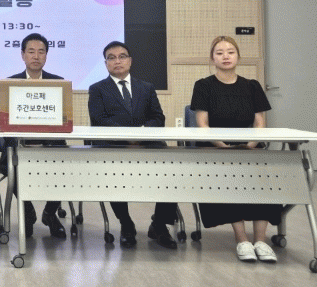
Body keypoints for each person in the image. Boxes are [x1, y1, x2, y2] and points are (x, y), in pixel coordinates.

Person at [190, 35, 281, 262]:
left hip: (250, 147)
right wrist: (223, 146)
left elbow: (260, 122)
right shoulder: (203, 86)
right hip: (216, 149)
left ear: (238, 56)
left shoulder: (252, 86)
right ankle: (242, 240)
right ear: (212, 58)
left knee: (265, 179)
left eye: (230, 52)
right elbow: (203, 124)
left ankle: (260, 241)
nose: (226, 56)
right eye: (219, 53)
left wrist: (249, 145)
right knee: (229, 178)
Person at [88, 41, 178, 249]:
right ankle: (126, 224)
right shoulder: (97, 89)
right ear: (105, 63)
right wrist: (127, 137)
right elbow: (99, 120)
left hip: (147, 145)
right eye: (111, 58)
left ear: (130, 61)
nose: (117, 61)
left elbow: (158, 117)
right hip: (114, 147)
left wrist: (141, 134)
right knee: (112, 177)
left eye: (122, 56)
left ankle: (159, 225)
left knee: (171, 169)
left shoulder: (146, 87)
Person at [0, 33, 67, 239]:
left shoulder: (59, 83)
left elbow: (64, 118)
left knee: (67, 164)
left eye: (41, 52)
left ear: (46, 55)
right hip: (18, 146)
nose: (36, 56)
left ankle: (50, 213)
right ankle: (27, 210)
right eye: (31, 52)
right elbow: (3, 122)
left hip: (50, 146)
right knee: (10, 165)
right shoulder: (9, 83)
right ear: (23, 55)